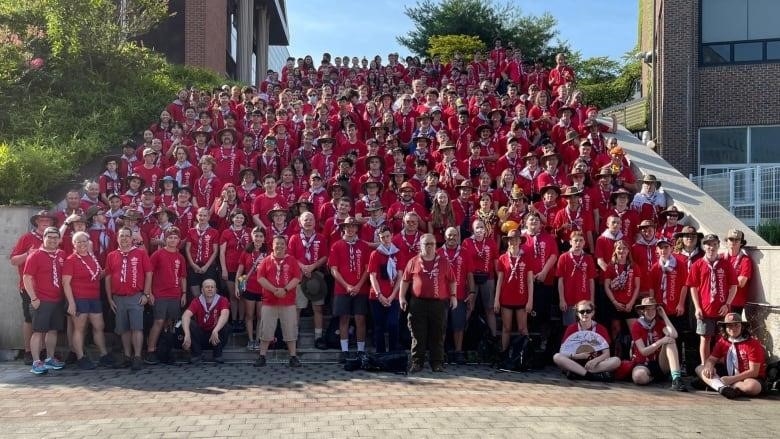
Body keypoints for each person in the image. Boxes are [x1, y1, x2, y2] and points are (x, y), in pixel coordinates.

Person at [399, 233, 458, 373]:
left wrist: (454, 296)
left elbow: (452, 280)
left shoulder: (444, 262)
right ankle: (417, 362)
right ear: (420, 246)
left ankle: (437, 362)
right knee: (417, 334)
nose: (429, 247)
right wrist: (402, 297)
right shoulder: (413, 261)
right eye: (426, 244)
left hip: (438, 303)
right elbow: (405, 280)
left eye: (432, 244)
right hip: (417, 303)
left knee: (437, 334)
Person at [9, 210, 58, 363]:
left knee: (46, 323)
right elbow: (13, 260)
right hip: (29, 287)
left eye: (48, 220)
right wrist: (27, 254)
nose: (45, 222)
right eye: (41, 219)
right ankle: (29, 352)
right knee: (30, 321)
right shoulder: (26, 238)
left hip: (49, 289)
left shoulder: (53, 238)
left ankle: (43, 351)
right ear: (36, 222)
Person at [62, 231, 112, 370]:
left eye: (85, 241)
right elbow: (65, 283)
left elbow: (95, 275)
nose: (82, 244)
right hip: (79, 298)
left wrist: (110, 269)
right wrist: (71, 303)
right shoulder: (70, 260)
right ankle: (80, 357)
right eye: (79, 242)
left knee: (99, 327)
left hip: (94, 298)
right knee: (80, 329)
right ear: (74, 244)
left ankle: (104, 355)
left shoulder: (92, 257)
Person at [105, 227, 153, 371]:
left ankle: (137, 357)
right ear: (117, 239)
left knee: (136, 327)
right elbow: (108, 277)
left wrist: (146, 294)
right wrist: (109, 298)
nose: (124, 239)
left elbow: (149, 273)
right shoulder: (111, 255)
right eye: (122, 236)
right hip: (118, 298)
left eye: (127, 236)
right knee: (123, 329)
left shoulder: (140, 254)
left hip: (135, 296)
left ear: (132, 238)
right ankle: (127, 356)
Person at [688, 234, 738, 365]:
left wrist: (727, 304)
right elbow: (693, 287)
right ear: (704, 246)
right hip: (705, 309)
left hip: (723, 310)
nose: (712, 247)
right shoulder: (697, 264)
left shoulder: (726, 264)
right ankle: (705, 366)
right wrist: (697, 307)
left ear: (718, 246)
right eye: (709, 244)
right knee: (705, 338)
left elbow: (734, 286)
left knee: (724, 339)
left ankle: (724, 366)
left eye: (715, 244)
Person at [22, 226, 66, 374]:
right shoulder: (35, 255)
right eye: (50, 237)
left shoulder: (61, 254)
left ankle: (49, 358)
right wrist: (33, 298)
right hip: (41, 299)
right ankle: (36, 361)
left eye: (56, 237)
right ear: (44, 238)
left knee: (53, 331)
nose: (53, 240)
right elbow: (26, 277)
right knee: (38, 332)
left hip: (57, 299)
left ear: (59, 239)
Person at [254, 236, 303, 367]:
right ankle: (262, 356)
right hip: (269, 302)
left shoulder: (292, 260)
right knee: (265, 330)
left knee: (290, 330)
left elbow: (297, 278)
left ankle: (293, 357)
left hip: (288, 302)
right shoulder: (265, 261)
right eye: (277, 244)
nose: (279, 246)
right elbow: (260, 278)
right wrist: (275, 289)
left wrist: (285, 289)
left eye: (282, 244)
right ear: (272, 245)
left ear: (286, 246)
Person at [695, 313, 767, 399]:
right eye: (729, 326)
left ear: (742, 327)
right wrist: (709, 366)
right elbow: (711, 359)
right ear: (725, 328)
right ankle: (722, 388)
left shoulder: (752, 344)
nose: (733, 328)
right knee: (700, 368)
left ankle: (715, 384)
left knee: (752, 387)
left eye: (736, 325)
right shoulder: (723, 341)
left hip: (748, 377)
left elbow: (754, 372)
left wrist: (731, 379)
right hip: (728, 374)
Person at [329, 217, 371, 362]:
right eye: (348, 226)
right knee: (344, 318)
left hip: (361, 288)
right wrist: (347, 285)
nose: (351, 229)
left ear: (357, 228)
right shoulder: (336, 245)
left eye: (354, 226)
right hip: (342, 288)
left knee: (360, 318)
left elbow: (368, 269)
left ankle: (360, 350)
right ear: (344, 228)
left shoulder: (364, 246)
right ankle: (345, 350)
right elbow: (333, 269)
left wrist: (358, 285)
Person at [145, 227, 188, 365]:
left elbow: (182, 277)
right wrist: (149, 292)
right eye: (170, 237)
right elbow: (149, 273)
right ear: (165, 239)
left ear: (179, 240)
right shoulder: (158, 254)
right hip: (160, 294)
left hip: (175, 294)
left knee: (170, 324)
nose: (173, 240)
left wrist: (184, 294)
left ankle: (166, 351)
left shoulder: (180, 257)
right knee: (158, 321)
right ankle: (150, 350)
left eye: (175, 238)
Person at [288, 211, 329, 348]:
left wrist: (312, 267)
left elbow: (324, 256)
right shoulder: (294, 238)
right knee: (298, 307)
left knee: (317, 308)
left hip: (316, 276)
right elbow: (291, 256)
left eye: (311, 219)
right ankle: (294, 335)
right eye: (305, 219)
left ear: (315, 221)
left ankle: (318, 337)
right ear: (300, 222)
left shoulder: (321, 238)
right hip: (299, 276)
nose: (308, 222)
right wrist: (303, 267)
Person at [629, 297, 688, 391]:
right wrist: (660, 341)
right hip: (643, 363)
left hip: (660, 363)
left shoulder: (659, 323)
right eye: (648, 309)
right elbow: (643, 351)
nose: (651, 312)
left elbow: (674, 334)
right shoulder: (636, 325)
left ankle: (677, 379)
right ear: (642, 311)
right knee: (638, 377)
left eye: (653, 309)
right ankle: (655, 378)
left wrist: (664, 315)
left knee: (670, 340)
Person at [494, 228, 534, 366]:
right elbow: (500, 280)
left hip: (522, 298)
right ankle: (505, 355)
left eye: (516, 239)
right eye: (511, 239)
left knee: (523, 328)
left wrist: (530, 300)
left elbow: (530, 280)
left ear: (520, 241)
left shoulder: (526, 257)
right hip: (506, 297)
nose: (514, 242)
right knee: (506, 328)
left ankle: (525, 355)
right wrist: (496, 299)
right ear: (508, 242)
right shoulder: (502, 258)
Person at [552, 300, 620, 381]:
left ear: (593, 313)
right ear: (577, 313)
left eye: (588, 311)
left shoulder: (601, 329)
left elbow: (606, 354)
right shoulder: (571, 328)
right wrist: (577, 356)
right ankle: (590, 375)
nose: (585, 314)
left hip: (594, 364)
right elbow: (562, 352)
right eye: (581, 311)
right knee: (557, 357)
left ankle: (579, 373)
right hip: (575, 362)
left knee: (616, 361)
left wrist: (595, 361)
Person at [368, 225, 402, 353]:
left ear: (392, 235)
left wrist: (393, 296)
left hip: (393, 296)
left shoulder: (398, 253)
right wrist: (379, 295)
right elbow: (372, 276)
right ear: (379, 238)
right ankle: (380, 354)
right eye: (382, 237)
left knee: (393, 324)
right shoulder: (375, 254)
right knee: (379, 327)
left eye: (387, 236)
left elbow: (400, 276)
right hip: (377, 297)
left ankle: (393, 352)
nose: (386, 239)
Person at [181, 279, 230, 364]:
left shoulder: (222, 300)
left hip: (215, 336)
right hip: (201, 336)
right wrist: (187, 335)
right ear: (202, 290)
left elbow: (225, 314)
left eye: (212, 287)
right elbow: (185, 315)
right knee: (190, 323)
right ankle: (197, 354)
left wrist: (216, 330)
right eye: (207, 287)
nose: (210, 289)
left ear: (216, 290)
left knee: (225, 325)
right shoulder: (197, 301)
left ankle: (217, 354)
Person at [235, 227, 267, 350]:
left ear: (264, 238)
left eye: (260, 236)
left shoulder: (268, 252)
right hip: (249, 287)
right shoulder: (246, 252)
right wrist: (237, 287)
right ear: (252, 237)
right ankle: (250, 340)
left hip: (263, 288)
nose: (258, 238)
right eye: (256, 236)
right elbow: (240, 271)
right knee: (249, 315)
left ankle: (258, 339)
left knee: (260, 315)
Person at [556, 231, 596, 326]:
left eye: (581, 241)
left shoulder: (588, 258)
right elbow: (560, 280)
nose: (578, 243)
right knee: (570, 327)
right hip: (568, 299)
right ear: (570, 242)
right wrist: (562, 299)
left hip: (585, 300)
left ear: (584, 243)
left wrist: (592, 300)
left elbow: (591, 280)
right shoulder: (563, 257)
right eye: (575, 241)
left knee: (585, 326)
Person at [722, 228, 753, 315]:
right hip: (720, 301)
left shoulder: (745, 260)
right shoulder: (720, 258)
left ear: (741, 243)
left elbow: (741, 283)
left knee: (733, 327)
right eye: (731, 239)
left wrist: (722, 278)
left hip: (736, 302)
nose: (733, 242)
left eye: (737, 240)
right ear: (726, 241)